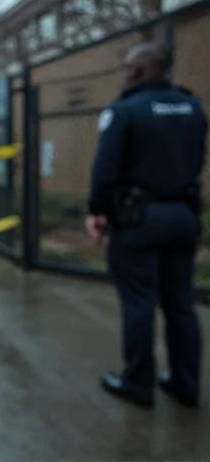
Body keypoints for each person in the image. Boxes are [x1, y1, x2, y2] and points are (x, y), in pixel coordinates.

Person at [85, 41, 207, 409]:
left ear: (136, 71)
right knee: (180, 304)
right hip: (184, 216)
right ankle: (186, 385)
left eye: (127, 67)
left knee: (139, 302)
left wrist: (97, 211)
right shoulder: (193, 107)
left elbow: (105, 170)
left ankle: (138, 384)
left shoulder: (125, 111)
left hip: (139, 220)